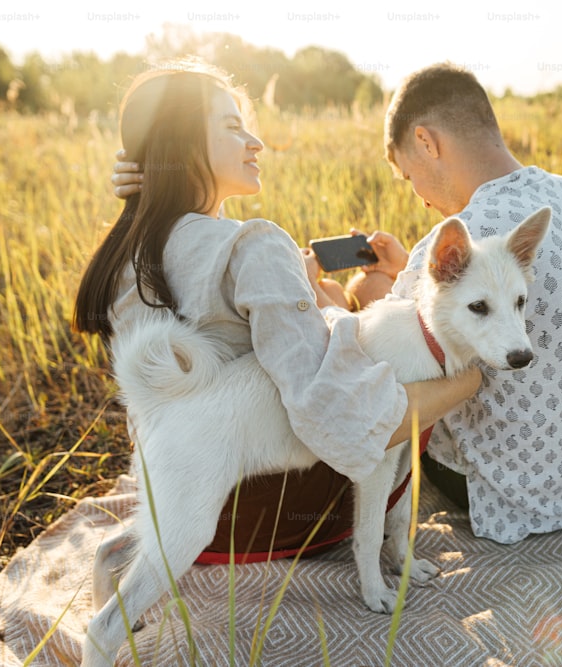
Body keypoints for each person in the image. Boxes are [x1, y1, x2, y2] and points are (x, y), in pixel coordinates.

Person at [109, 62, 562, 545]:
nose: (419, 196)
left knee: (392, 377)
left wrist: (330, 293)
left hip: (513, 492)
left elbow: (366, 361)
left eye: (408, 175)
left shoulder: (460, 236)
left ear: (426, 141)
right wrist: (384, 288)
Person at [76, 58, 481, 561]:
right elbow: (334, 411)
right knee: (411, 350)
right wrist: (463, 383)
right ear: (180, 144)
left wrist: (306, 292)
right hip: (266, 517)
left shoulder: (125, 250)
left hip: (175, 515)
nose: (255, 142)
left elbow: (199, 274)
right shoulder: (254, 245)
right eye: (232, 126)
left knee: (358, 299)